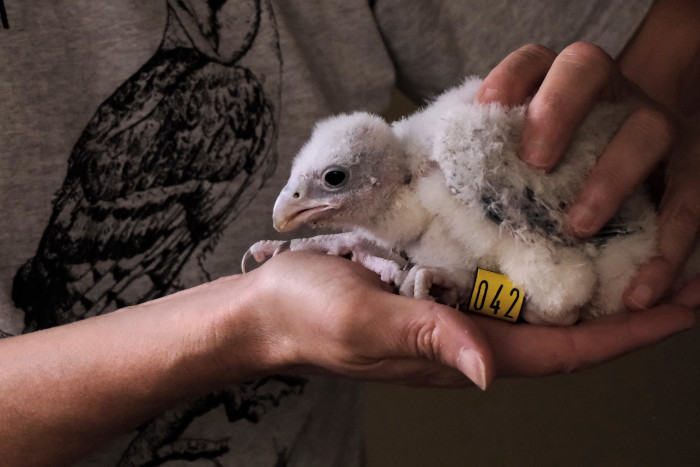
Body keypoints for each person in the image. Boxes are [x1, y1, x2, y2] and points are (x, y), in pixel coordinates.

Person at [0, 0, 698, 465]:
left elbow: (657, 45)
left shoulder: (443, 158)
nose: (291, 209)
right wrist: (244, 326)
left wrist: (656, 93)